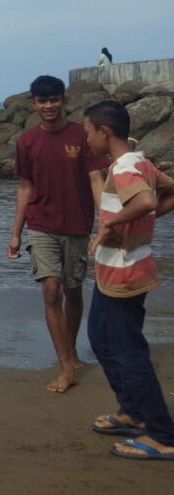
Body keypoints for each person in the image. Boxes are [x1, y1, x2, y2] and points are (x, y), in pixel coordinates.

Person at [82, 99, 174, 460]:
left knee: (127, 352)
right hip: (116, 269)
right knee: (100, 339)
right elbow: (164, 195)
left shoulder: (123, 169)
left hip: (124, 272)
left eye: (88, 133)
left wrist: (112, 224)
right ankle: (133, 413)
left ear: (105, 132)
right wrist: (138, 223)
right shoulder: (140, 161)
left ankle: (162, 435)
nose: (87, 140)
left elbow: (147, 201)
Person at [7, 74, 105, 394]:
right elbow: (25, 187)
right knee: (51, 290)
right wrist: (16, 233)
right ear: (34, 104)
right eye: (42, 100)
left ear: (63, 100)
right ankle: (65, 366)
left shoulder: (81, 135)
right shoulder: (27, 141)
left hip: (77, 224)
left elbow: (94, 179)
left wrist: (105, 221)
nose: (48, 105)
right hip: (41, 224)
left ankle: (72, 350)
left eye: (53, 99)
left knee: (73, 290)